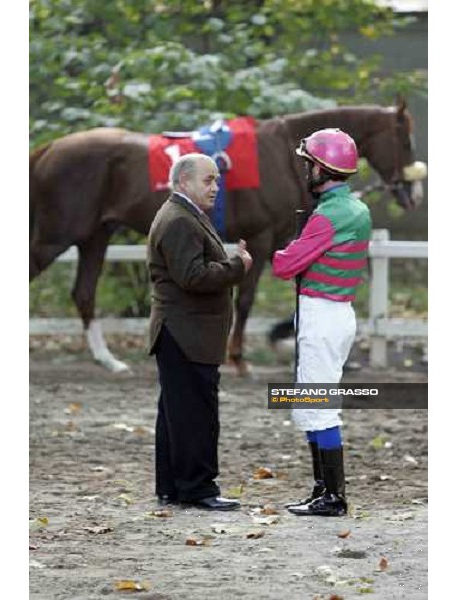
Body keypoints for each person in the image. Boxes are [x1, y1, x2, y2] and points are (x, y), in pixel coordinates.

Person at [272, 129, 371, 517]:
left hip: (322, 315)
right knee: (313, 400)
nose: (306, 171)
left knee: (320, 404)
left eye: (308, 164)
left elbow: (284, 266)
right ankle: (321, 490)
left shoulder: (328, 216)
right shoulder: (356, 208)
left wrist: (287, 248)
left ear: (322, 168)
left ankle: (332, 496)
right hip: (335, 312)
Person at [147, 153, 253, 511]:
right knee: (195, 414)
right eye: (207, 180)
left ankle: (173, 487)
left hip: (184, 333)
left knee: (177, 414)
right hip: (185, 333)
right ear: (182, 183)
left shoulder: (184, 215)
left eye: (217, 181)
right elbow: (192, 276)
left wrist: (227, 264)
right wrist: (237, 266)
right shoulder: (178, 219)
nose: (215, 187)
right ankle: (198, 488)